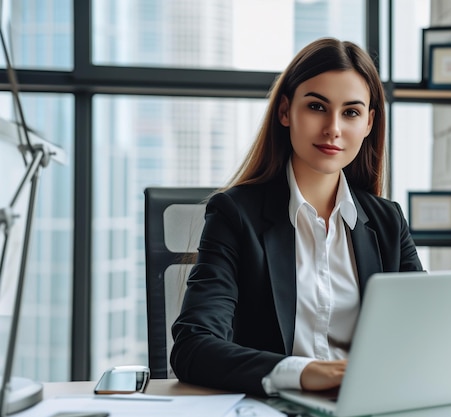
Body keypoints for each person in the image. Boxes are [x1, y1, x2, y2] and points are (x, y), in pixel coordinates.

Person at [170, 37, 423, 397]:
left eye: (350, 112)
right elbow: (193, 347)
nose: (333, 128)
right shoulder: (235, 215)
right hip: (274, 406)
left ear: (368, 123)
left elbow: (424, 332)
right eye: (317, 107)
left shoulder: (387, 222)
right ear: (286, 111)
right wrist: (303, 373)